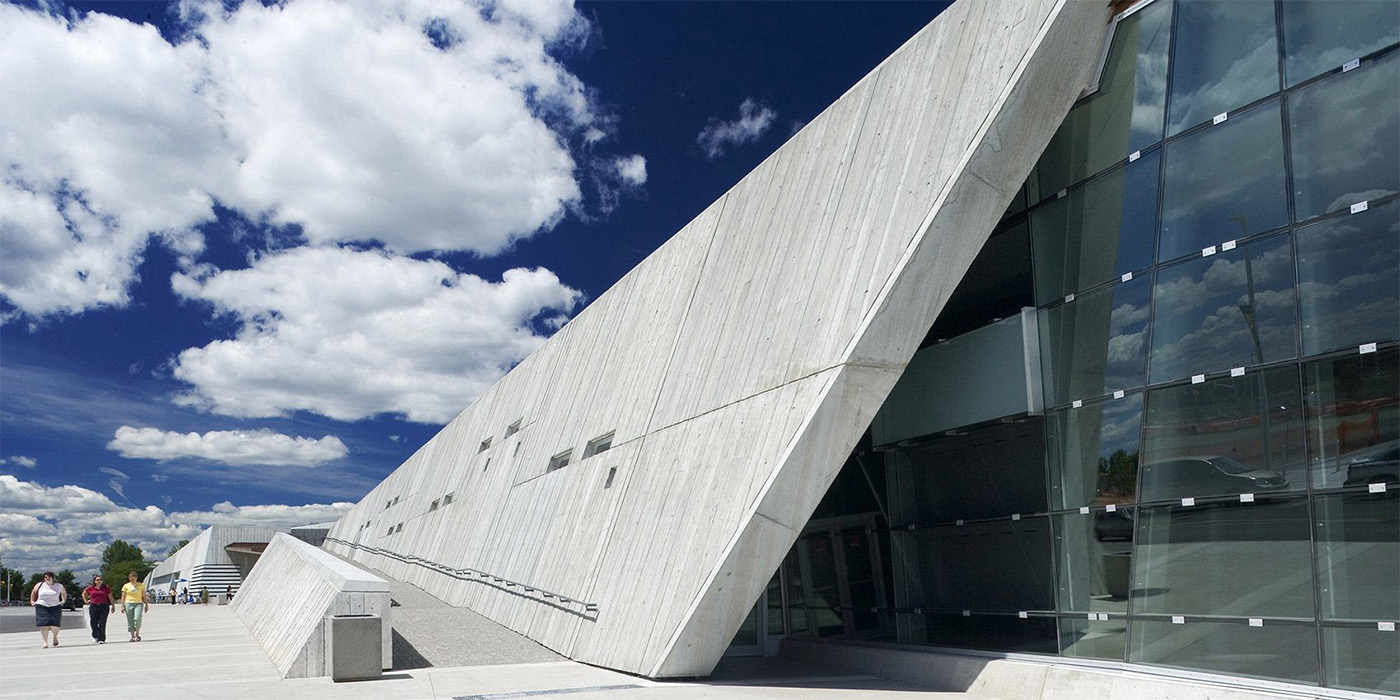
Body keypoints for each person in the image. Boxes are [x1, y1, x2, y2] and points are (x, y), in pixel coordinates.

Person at [30, 571, 66, 648]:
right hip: (41, 605)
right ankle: (45, 642)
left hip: (55, 605)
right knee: (43, 624)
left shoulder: (58, 586)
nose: (47, 578)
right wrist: (32, 601)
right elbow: (33, 592)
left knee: (55, 624)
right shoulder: (39, 585)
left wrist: (63, 601)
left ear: (52, 577)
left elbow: (64, 593)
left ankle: (55, 636)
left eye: (48, 577)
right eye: (45, 577)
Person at [81, 575, 113, 644]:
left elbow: (110, 596)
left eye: (100, 579)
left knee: (102, 623)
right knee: (93, 622)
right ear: (94, 581)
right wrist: (85, 601)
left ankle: (101, 638)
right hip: (94, 606)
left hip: (104, 606)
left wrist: (113, 605)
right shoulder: (90, 588)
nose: (99, 581)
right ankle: (95, 635)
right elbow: (84, 593)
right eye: (97, 580)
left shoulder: (105, 588)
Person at [120, 571, 150, 642]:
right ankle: (132, 636)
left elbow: (143, 595)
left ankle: (137, 634)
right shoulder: (126, 586)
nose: (132, 580)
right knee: (130, 620)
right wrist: (122, 606)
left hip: (138, 603)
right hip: (129, 603)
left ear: (136, 578)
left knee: (137, 618)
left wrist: (146, 604)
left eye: (133, 578)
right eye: (131, 578)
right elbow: (123, 597)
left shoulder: (141, 585)